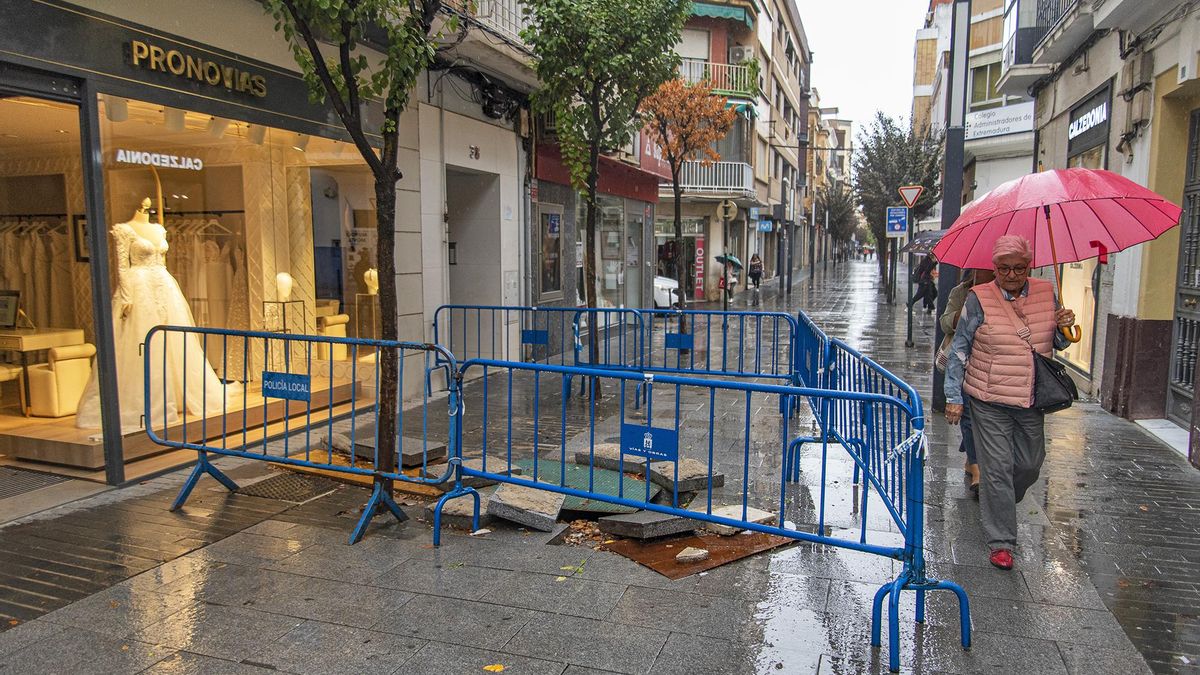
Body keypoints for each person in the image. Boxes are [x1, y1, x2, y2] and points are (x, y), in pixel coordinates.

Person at [943, 235, 1075, 571]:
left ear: (1029, 266)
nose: (1012, 275)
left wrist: (1063, 326)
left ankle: (998, 497)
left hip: (1031, 398)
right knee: (997, 467)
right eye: (1004, 269)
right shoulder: (979, 298)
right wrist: (954, 397)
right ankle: (1002, 542)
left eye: (1019, 268)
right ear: (995, 269)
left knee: (1031, 464)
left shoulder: (1047, 293)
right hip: (988, 399)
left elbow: (1055, 343)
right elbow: (960, 348)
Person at [939, 268, 995, 497]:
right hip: (966, 363)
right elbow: (945, 323)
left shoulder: (1004, 295)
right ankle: (976, 465)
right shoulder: (961, 292)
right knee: (970, 415)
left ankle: (971, 455)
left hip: (995, 366)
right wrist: (964, 312)